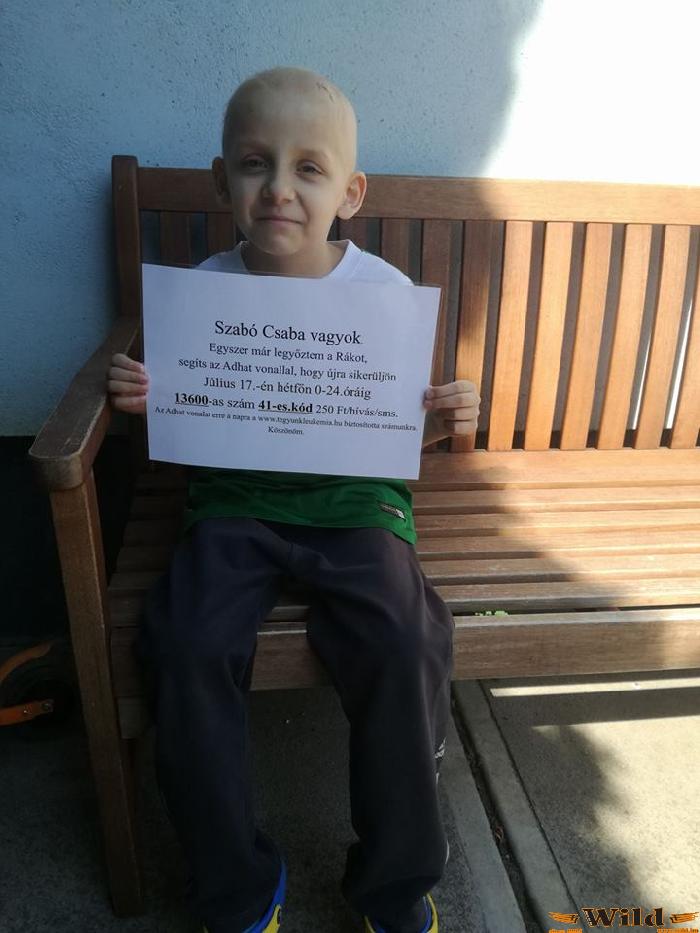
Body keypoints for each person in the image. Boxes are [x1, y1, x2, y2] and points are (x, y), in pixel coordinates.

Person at [108, 66, 480, 933]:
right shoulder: (204, 291)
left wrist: (446, 417)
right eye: (255, 163)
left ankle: (393, 881)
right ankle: (236, 884)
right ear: (222, 181)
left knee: (404, 637)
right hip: (233, 502)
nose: (279, 187)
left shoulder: (381, 296)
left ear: (349, 193)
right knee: (183, 640)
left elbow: (400, 428)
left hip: (354, 503)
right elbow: (189, 409)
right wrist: (146, 396)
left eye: (309, 168)